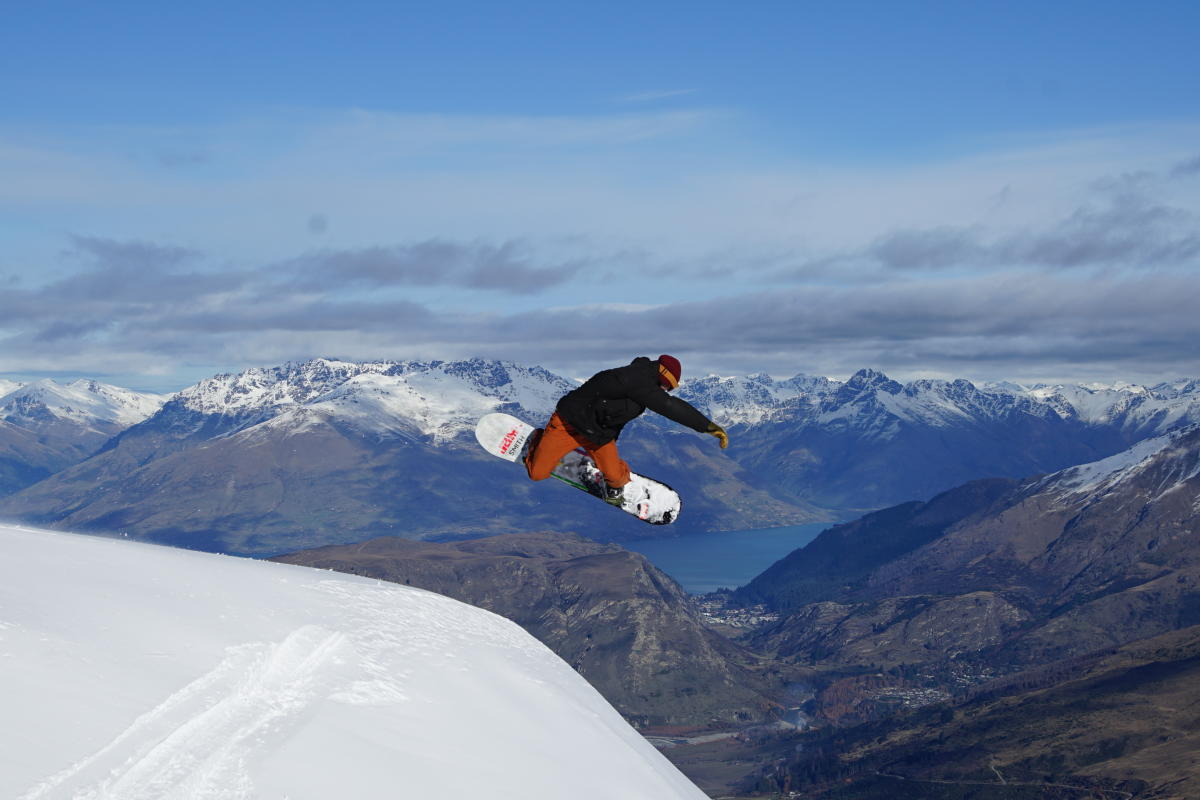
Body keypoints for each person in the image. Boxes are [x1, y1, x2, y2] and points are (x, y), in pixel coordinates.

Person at [523, 355, 729, 505]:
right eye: (668, 387)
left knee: (615, 478)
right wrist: (708, 426)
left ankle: (615, 479)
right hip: (568, 424)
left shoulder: (642, 386)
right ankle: (539, 440)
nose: (666, 391)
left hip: (597, 435)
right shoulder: (637, 380)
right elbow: (669, 406)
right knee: (537, 473)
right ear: (664, 377)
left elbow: (615, 414)